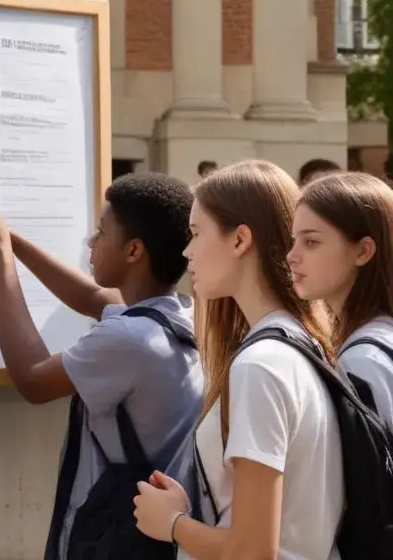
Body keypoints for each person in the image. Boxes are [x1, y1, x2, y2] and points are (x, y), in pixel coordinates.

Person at [0, 172, 202, 559]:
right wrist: (7, 236)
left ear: (134, 251)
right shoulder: (179, 315)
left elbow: (33, 379)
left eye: (102, 233)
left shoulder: (129, 340)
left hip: (113, 537)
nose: (91, 242)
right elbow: (90, 295)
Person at [133, 159, 342, 560]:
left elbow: (252, 550)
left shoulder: (260, 365)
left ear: (240, 239)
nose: (186, 251)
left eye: (196, 234)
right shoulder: (302, 344)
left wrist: (173, 524)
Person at [287, 171, 393, 422]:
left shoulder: (363, 361)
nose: (292, 255)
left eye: (311, 242)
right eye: (295, 240)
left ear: (363, 251)